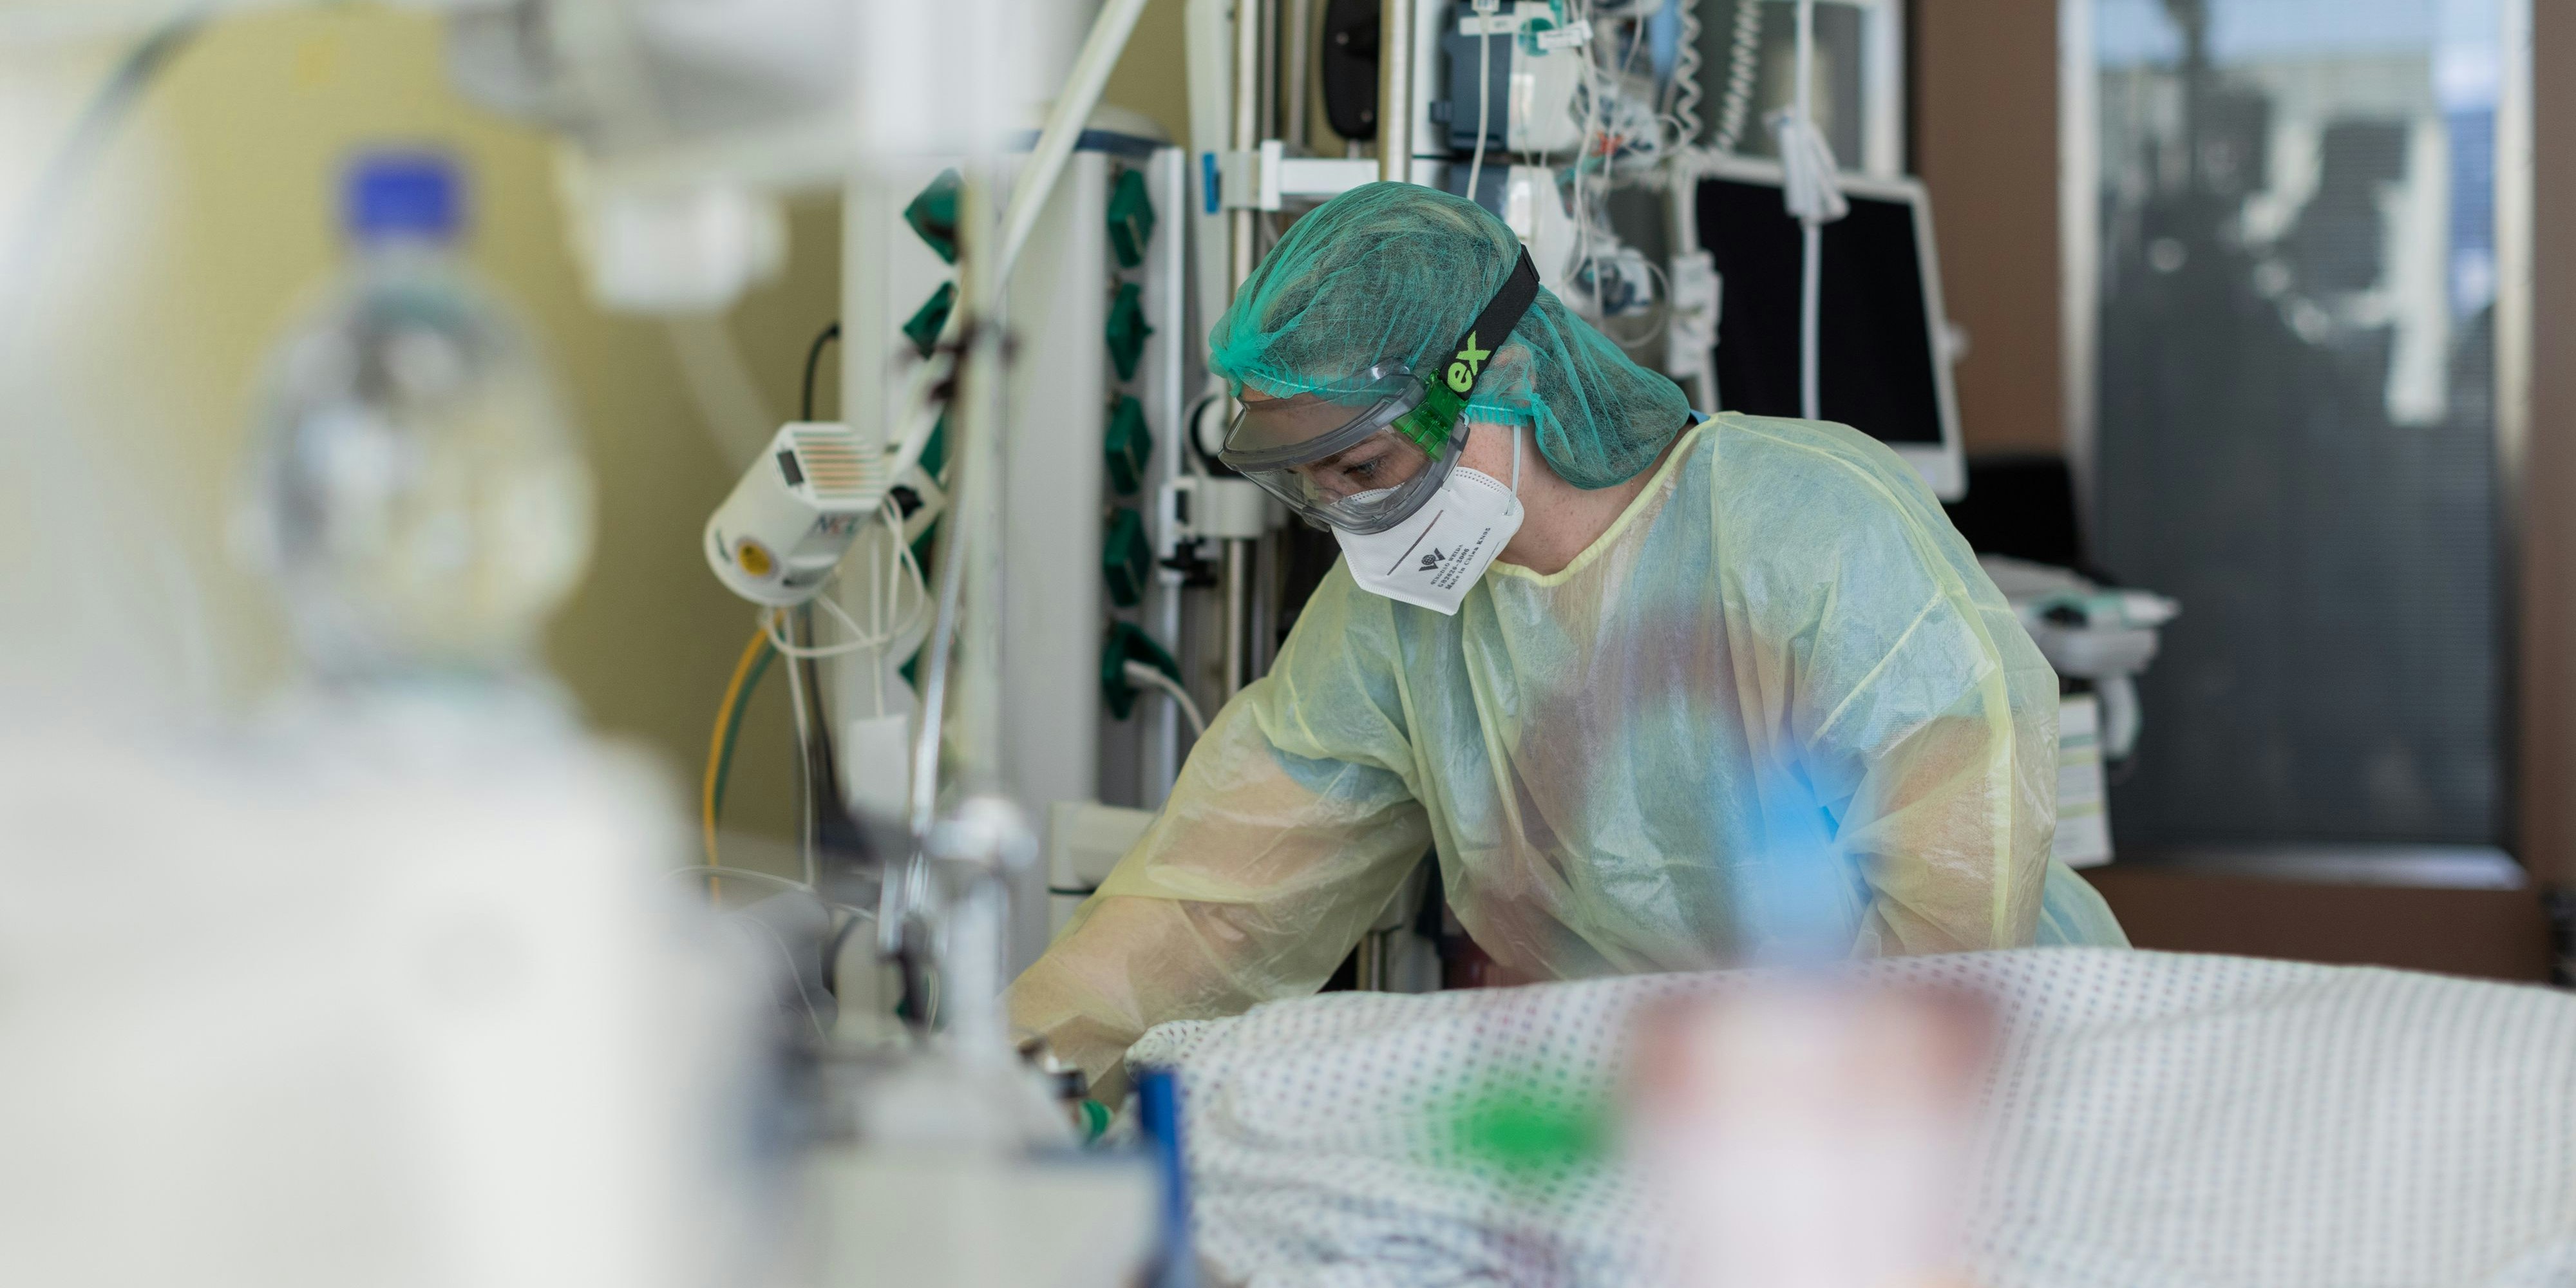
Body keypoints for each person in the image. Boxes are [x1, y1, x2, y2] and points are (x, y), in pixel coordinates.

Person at [1008, 183, 2125, 1097]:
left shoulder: (1805, 528)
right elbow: (1215, 902)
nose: (1351, 518)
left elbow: (1951, 919)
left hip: (1987, 1097)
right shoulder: (1393, 624)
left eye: (1365, 470)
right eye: (1314, 489)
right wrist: (1019, 1081)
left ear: (1496, 376)